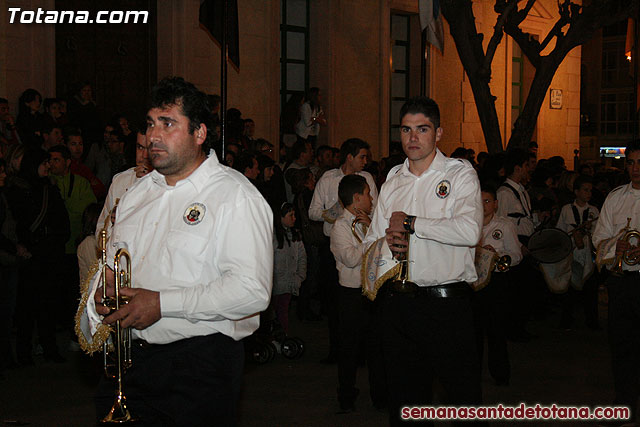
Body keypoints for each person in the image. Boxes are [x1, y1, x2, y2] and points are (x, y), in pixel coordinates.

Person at [85, 77, 273, 425]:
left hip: (198, 368)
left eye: (167, 123)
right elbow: (112, 263)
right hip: (129, 362)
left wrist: (161, 303)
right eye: (150, 124)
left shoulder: (235, 196)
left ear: (199, 133)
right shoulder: (136, 194)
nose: (153, 136)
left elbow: (251, 290)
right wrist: (102, 292)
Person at [362, 96, 483, 426]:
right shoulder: (392, 180)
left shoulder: (459, 174)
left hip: (446, 304)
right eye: (406, 130)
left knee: (465, 402)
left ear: (438, 133)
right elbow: (372, 241)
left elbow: (470, 230)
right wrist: (388, 245)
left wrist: (413, 223)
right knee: (405, 405)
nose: (412, 138)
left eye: (422, 129)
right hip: (399, 304)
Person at [592, 140, 640, 425]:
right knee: (621, 344)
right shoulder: (615, 197)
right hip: (622, 281)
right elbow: (599, 237)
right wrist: (616, 248)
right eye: (631, 162)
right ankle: (625, 401)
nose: (635, 168)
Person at [329, 174, 385, 412]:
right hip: (351, 294)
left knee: (377, 348)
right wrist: (373, 238)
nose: (372, 198)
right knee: (349, 349)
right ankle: (346, 397)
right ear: (356, 198)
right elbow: (351, 259)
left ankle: (380, 396)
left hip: (371, 292)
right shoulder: (340, 226)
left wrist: (372, 227)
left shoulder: (368, 222)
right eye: (368, 193)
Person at [473, 183, 522, 387]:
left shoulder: (505, 225)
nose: (483, 205)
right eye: (480, 201)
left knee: (496, 331)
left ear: (495, 204)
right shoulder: (469, 225)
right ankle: (472, 373)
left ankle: (500, 374)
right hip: (474, 283)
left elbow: (517, 254)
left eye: (487, 201)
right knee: (473, 332)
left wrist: (498, 255)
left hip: (496, 282)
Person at [555, 175, 599, 330]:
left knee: (590, 289)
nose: (589, 193)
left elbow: (598, 233)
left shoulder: (593, 211)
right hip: (572, 254)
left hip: (587, 253)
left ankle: (592, 321)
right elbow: (561, 231)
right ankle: (566, 320)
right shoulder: (567, 209)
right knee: (570, 289)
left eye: (590, 191)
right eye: (585, 190)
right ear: (576, 192)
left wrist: (588, 231)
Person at [272, 202, 306, 335]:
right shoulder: (273, 236)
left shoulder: (295, 235)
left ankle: (284, 336)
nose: (294, 218)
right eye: (290, 215)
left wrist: (300, 276)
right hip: (276, 283)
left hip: (290, 282)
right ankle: (277, 337)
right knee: (276, 313)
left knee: (283, 311)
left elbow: (302, 257)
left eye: (294, 215)